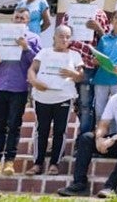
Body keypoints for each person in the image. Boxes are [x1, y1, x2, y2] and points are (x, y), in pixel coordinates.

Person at [57, 64, 117, 198]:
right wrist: (99, 139)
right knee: (86, 138)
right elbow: (104, 123)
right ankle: (79, 184)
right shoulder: (116, 98)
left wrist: (113, 139)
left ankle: (111, 186)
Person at [0, 7, 41, 176]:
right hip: (0, 86)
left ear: (28, 21)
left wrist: (26, 48)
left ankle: (10, 162)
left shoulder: (33, 38)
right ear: (13, 19)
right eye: (17, 17)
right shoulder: (2, 35)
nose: (19, 20)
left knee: (14, 125)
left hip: (19, 87)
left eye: (22, 18)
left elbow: (38, 64)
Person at [26, 25, 84, 176]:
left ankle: (54, 163)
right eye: (61, 36)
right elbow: (32, 69)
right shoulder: (44, 52)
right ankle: (37, 163)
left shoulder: (75, 55)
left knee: (60, 130)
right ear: (54, 37)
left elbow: (81, 76)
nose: (64, 39)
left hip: (63, 97)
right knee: (41, 130)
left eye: (67, 36)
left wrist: (74, 73)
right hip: (42, 97)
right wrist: (34, 81)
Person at [59, 0, 110, 135]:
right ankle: (73, 133)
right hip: (69, 63)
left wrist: (97, 28)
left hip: (87, 64)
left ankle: (84, 138)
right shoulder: (69, 14)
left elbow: (107, 40)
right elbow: (60, 37)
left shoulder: (99, 14)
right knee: (71, 102)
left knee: (87, 102)